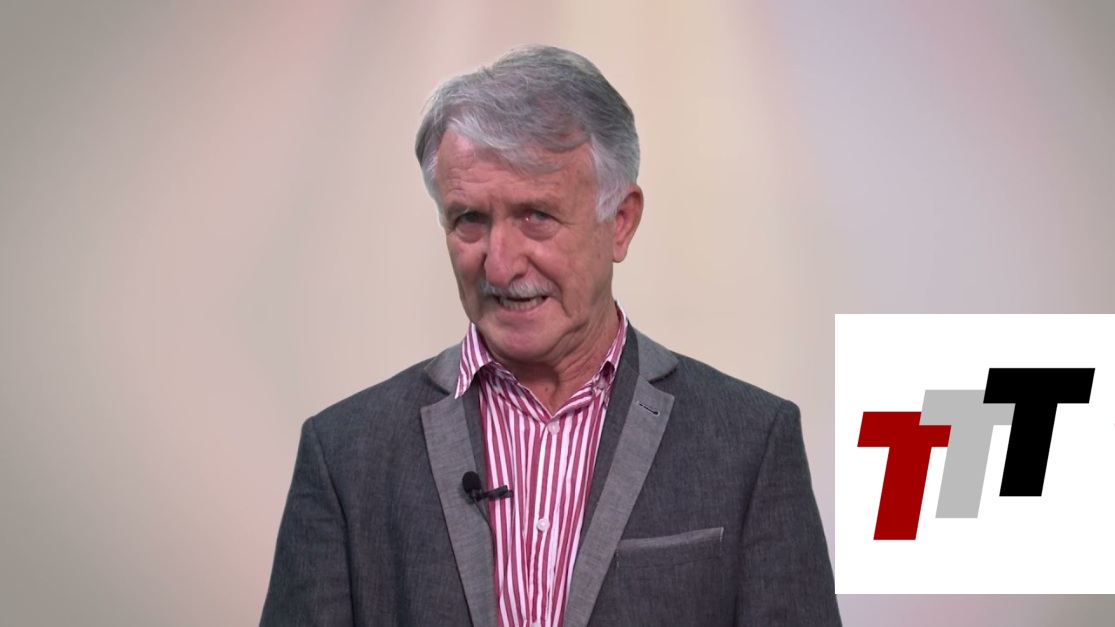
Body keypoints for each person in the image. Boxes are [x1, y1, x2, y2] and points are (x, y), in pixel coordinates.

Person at [261, 44, 841, 627]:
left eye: (536, 215)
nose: (499, 265)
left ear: (620, 222)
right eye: (469, 219)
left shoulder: (750, 442)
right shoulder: (343, 455)